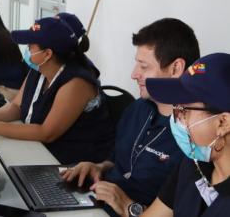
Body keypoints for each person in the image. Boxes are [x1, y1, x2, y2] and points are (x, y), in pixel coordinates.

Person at [61, 18, 200, 217]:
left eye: (144, 67)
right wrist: (98, 167)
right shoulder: (137, 109)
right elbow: (117, 162)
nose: (134, 75)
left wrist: (128, 206)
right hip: (96, 203)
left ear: (175, 68)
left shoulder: (197, 136)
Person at [0, 14, 114, 164]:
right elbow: (16, 107)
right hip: (40, 149)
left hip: (71, 162)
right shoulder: (39, 69)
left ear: (47, 54)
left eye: (30, 46)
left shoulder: (77, 83)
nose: (27, 50)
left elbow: (47, 133)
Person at [142, 53, 230, 217]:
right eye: (175, 108)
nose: (176, 120)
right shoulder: (193, 165)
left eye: (183, 111)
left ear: (223, 123)